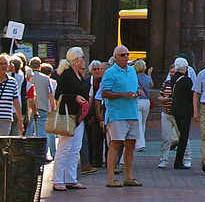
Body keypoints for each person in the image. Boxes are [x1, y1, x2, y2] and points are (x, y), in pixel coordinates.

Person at [99, 45, 142, 188]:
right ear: (115, 57)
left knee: (131, 144)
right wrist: (123, 94)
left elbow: (133, 88)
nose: (126, 57)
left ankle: (128, 176)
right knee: (116, 144)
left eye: (127, 54)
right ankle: (111, 178)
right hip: (117, 114)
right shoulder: (110, 73)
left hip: (132, 112)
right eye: (123, 55)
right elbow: (104, 93)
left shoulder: (132, 71)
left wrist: (138, 92)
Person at [51, 48, 91, 192]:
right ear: (76, 60)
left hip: (78, 117)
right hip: (67, 117)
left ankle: (71, 178)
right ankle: (58, 179)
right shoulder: (66, 75)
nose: (83, 59)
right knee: (64, 149)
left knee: (75, 149)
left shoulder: (78, 75)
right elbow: (59, 95)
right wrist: (74, 97)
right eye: (82, 57)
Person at [158, 59, 187, 169]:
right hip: (166, 112)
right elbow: (160, 95)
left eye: (174, 72)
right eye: (170, 72)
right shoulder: (166, 83)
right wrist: (163, 99)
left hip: (177, 113)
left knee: (183, 137)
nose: (172, 74)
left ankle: (186, 158)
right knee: (165, 138)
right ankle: (163, 160)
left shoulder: (181, 82)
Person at [169, 59, 195, 171]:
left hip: (175, 110)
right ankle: (178, 161)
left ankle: (178, 161)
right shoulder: (187, 80)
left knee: (181, 134)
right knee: (184, 136)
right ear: (185, 68)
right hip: (185, 111)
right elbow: (191, 96)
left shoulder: (173, 79)